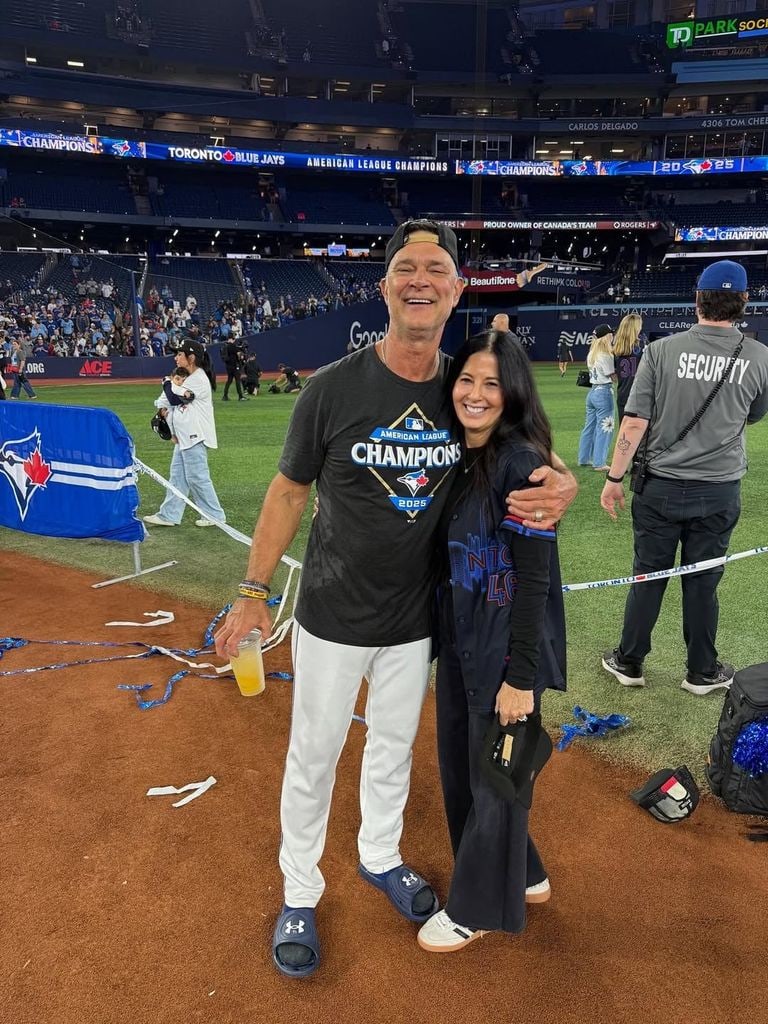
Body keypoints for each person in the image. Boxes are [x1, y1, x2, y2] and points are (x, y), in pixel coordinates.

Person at [213, 219, 577, 979]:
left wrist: (562, 479)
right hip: (333, 615)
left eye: (437, 268)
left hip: (417, 624)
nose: (421, 279)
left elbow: (520, 439)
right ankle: (301, 889)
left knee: (392, 752)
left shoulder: (460, 386)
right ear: (384, 287)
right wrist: (252, 591)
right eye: (406, 267)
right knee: (314, 756)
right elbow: (288, 491)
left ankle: (379, 854)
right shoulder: (333, 387)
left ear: (456, 289)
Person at [417, 330, 566, 953]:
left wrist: (521, 679)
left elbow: (535, 583)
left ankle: (476, 907)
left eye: (491, 384)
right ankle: (523, 870)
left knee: (494, 779)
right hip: (462, 642)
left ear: (512, 394)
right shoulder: (460, 455)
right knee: (466, 769)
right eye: (466, 380)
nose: (475, 394)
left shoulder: (520, 465)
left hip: (503, 652)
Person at [600, 260, 768, 695]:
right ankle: (701, 671)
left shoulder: (661, 350)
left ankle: (630, 661)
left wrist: (614, 478)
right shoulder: (759, 356)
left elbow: (634, 421)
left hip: (660, 486)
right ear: (743, 301)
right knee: (703, 582)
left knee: (648, 576)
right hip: (719, 489)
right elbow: (753, 414)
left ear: (697, 299)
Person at [143, 339, 227, 529]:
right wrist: (163, 408)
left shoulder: (198, 379)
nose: (176, 357)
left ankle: (215, 515)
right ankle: (169, 515)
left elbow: (173, 398)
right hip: (183, 436)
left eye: (180, 354)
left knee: (197, 477)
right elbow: (163, 401)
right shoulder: (186, 378)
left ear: (191, 358)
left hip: (195, 435)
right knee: (177, 477)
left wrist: (167, 383)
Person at [577, 325, 615, 472]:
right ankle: (599, 463)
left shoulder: (592, 353)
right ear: (606, 337)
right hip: (604, 392)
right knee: (605, 427)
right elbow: (612, 376)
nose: (612, 336)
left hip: (592, 392)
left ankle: (584, 458)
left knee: (589, 427)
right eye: (611, 334)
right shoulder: (606, 355)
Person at [612, 313, 644, 423]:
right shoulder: (642, 345)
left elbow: (614, 374)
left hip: (622, 394)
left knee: (624, 430)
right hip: (639, 395)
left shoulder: (616, 348)